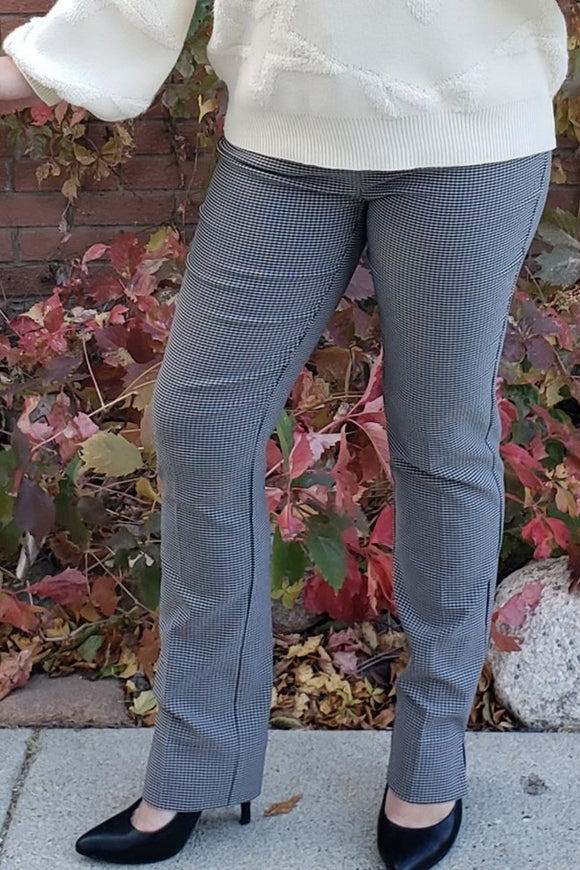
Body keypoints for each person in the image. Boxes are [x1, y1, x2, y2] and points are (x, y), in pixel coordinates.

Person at [0, 2, 569, 867]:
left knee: (441, 440)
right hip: (283, 132)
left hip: (469, 132)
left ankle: (431, 757)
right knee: (200, 423)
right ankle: (200, 761)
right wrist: (41, 63)